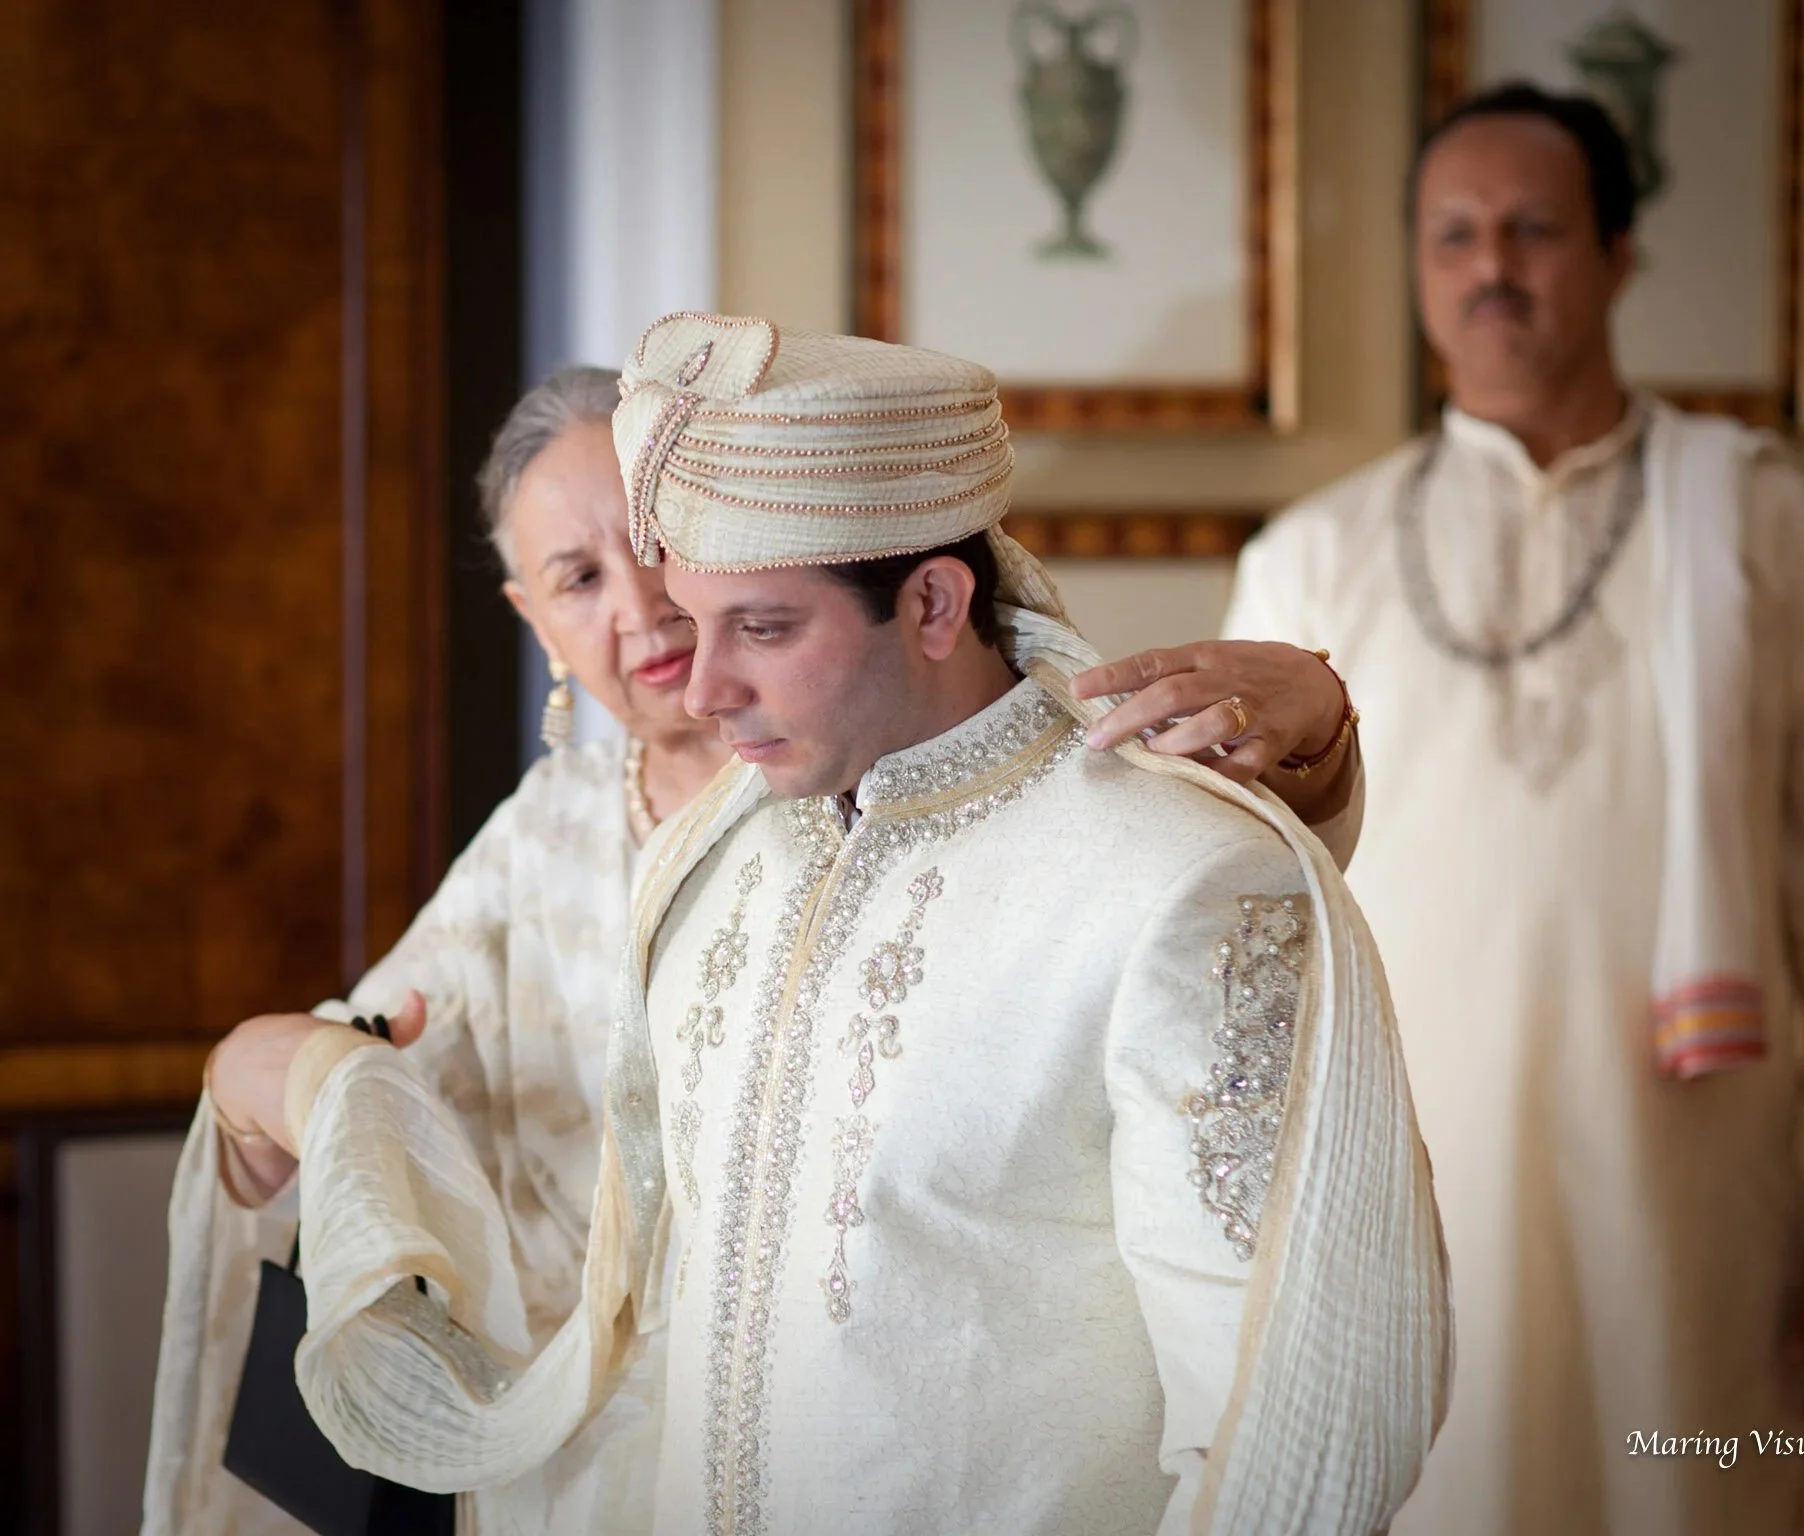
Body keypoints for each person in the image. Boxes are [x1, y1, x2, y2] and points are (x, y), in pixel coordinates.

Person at [207, 314, 1451, 1535]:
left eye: (760, 627)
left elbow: (1293, 1428)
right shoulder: (714, 863)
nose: (697, 684)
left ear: (932, 603)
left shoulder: (1177, 879)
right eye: (690, 618)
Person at [1077, 83, 1804, 1536]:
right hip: (1403, 1176)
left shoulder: (1770, 523)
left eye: (1533, 229)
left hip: (1691, 1176)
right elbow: (1231, 911)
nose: (1492, 269)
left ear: (1617, 254)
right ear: (1415, 265)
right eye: (1453, 235)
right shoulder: (1312, 555)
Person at [141, 366, 735, 1533]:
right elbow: (366, 1053)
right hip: (566, 1453)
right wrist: (276, 1091)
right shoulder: (545, 831)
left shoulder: (846, 781)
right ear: (537, 622)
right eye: (579, 578)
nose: (641, 605)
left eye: (662, 542)